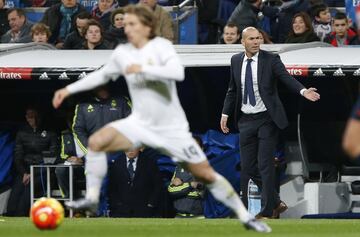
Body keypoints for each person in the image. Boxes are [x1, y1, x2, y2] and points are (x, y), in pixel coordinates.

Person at [52, 5, 271, 233]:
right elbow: (102, 74)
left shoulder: (161, 47)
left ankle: (246, 216)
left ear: (145, 26)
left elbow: (177, 73)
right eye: (125, 24)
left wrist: (146, 68)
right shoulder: (123, 52)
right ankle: (92, 199)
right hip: (139, 122)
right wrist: (68, 90)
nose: (127, 28)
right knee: (96, 142)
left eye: (131, 24)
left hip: (169, 125)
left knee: (205, 173)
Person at [220, 27, 320, 219]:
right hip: (245, 120)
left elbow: (286, 78)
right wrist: (225, 114)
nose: (256, 42)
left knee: (265, 165)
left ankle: (266, 211)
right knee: (248, 169)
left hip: (267, 119)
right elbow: (233, 90)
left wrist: (303, 91)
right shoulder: (236, 60)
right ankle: (274, 202)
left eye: (259, 38)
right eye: (252, 39)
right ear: (243, 42)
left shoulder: (271, 59)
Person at [6, 106, 57, 216]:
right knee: (16, 191)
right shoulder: (22, 133)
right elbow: (18, 155)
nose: (30, 118)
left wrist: (33, 173)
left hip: (43, 171)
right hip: (25, 171)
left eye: (33, 116)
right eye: (28, 116)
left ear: (39, 116)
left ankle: (22, 215)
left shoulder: (50, 133)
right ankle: (11, 214)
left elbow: (53, 157)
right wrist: (24, 172)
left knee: (29, 187)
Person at [108, 148, 162, 217]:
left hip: (144, 210)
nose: (130, 150)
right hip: (121, 211)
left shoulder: (149, 163)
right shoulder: (116, 163)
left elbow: (157, 185)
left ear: (139, 148)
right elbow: (112, 187)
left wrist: (151, 204)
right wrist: (116, 204)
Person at [168, 136, 204, 218]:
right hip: (178, 216)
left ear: (201, 149)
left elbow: (202, 191)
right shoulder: (180, 167)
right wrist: (190, 185)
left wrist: (182, 185)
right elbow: (171, 190)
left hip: (199, 217)